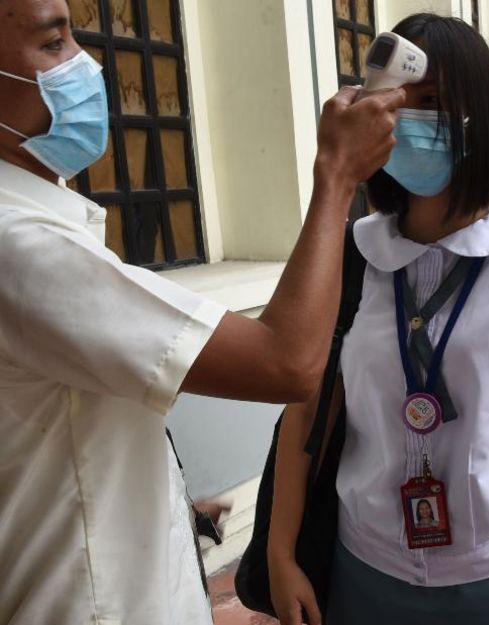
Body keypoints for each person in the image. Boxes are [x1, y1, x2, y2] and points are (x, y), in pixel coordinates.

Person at [0, 0, 406, 621]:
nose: (87, 66)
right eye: (53, 46)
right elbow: (289, 366)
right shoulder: (21, 247)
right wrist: (337, 175)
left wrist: (169, 504)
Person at [269, 16, 489, 625]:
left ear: (479, 113)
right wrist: (280, 552)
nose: (412, 122)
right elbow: (304, 414)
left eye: (432, 104)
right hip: (363, 565)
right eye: (398, 104)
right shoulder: (350, 252)